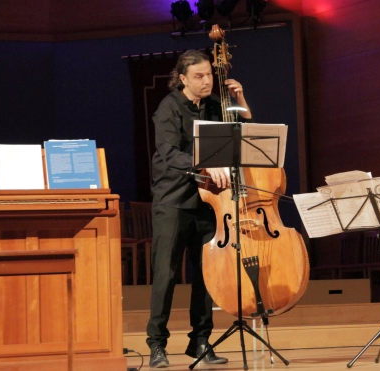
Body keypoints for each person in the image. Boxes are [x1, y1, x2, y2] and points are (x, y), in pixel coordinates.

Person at [145, 50, 252, 368]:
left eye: (209, 75)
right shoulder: (168, 108)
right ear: (182, 78)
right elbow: (169, 154)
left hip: (210, 200)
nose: (207, 81)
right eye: (199, 76)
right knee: (165, 275)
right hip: (174, 201)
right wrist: (205, 165)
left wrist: (240, 98)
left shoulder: (216, 105)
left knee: (207, 274)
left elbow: (243, 128)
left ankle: (200, 341)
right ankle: (157, 344)